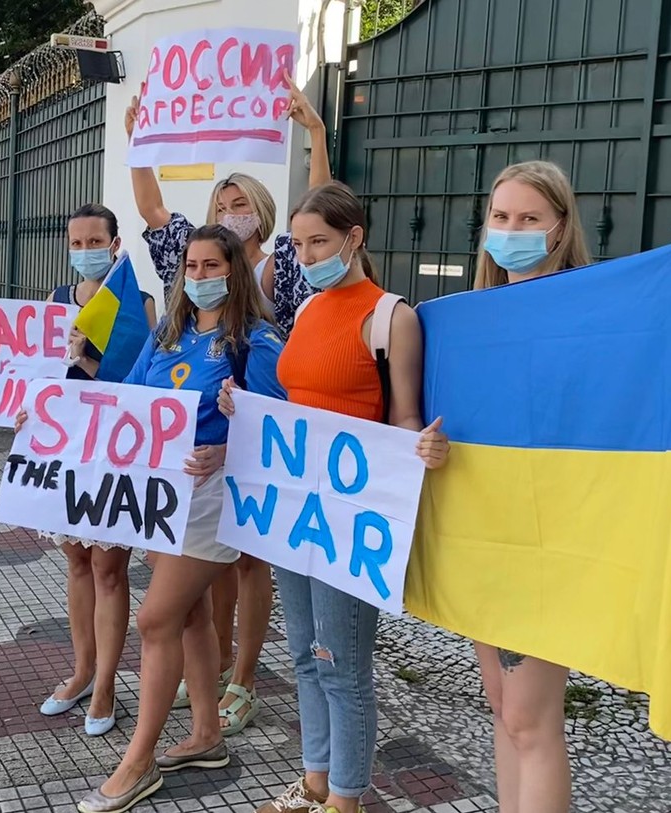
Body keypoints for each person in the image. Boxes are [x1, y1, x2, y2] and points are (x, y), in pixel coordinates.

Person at [26, 224, 284, 812]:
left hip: (215, 500)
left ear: (235, 272)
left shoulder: (257, 342)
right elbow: (128, 403)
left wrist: (230, 442)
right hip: (162, 501)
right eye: (191, 266)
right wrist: (47, 415)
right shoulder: (168, 334)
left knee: (154, 619)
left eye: (212, 266)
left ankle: (139, 760)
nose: (199, 277)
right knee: (188, 614)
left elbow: (280, 434)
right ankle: (206, 736)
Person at [218, 180, 449, 813]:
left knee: (341, 664)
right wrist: (244, 410)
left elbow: (403, 417)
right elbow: (300, 403)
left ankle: (344, 801)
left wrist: (422, 449)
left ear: (354, 238)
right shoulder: (311, 311)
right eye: (299, 242)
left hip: (350, 515)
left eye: (319, 240)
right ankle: (314, 782)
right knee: (302, 654)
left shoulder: (391, 317)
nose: (309, 253)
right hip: (295, 509)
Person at [124, 72, 330, 736]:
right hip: (194, 459)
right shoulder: (192, 275)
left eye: (241, 200)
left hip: (260, 427)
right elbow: (155, 212)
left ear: (263, 211)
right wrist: (140, 142)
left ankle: (240, 678)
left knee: (247, 564)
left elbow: (325, 209)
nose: (231, 207)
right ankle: (206, 684)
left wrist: (316, 135)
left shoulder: (288, 266)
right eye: (222, 199)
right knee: (200, 580)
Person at [469, 160, 592, 813]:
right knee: (502, 708)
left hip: (551, 540)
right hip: (485, 535)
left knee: (530, 720)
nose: (511, 230)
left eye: (528, 218)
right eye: (501, 216)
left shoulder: (592, 317)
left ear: (560, 227)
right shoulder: (473, 319)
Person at [27, 203, 157, 736]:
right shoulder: (55, 304)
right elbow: (28, 370)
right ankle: (81, 670)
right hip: (65, 450)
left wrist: (88, 363)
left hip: (116, 452)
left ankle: (106, 684)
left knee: (109, 568)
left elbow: (144, 381)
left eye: (93, 241)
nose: (84, 251)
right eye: (75, 242)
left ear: (115, 243)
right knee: (76, 562)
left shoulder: (140, 304)